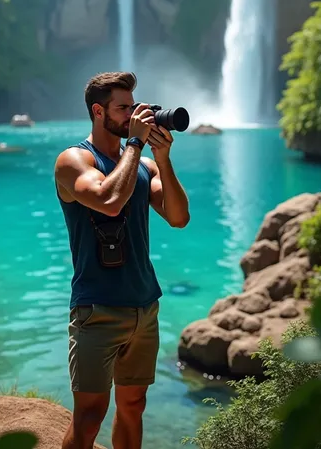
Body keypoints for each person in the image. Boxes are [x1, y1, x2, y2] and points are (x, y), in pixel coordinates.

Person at [54, 71, 190, 449]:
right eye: (124, 108)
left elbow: (179, 218)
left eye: (135, 106)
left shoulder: (144, 167)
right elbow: (109, 201)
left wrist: (161, 157)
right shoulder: (73, 161)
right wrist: (134, 143)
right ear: (99, 112)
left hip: (144, 307)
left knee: (133, 404)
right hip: (96, 309)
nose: (134, 114)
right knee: (90, 415)